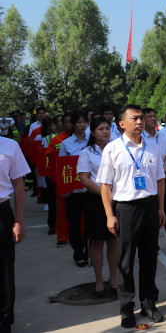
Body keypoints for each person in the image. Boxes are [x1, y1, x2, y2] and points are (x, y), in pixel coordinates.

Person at [97, 104, 166, 328]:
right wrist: (109, 215)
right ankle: (126, 307)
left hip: (150, 206)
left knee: (149, 259)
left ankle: (149, 303)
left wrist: (160, 208)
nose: (140, 122)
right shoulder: (113, 148)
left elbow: (159, 180)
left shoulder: (153, 146)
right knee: (125, 262)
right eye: (135, 118)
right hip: (126, 209)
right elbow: (105, 185)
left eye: (142, 118)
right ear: (122, 123)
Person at [77, 117, 118, 297]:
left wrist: (113, 196)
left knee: (113, 240)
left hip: (117, 199)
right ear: (92, 132)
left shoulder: (117, 149)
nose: (105, 131)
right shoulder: (86, 152)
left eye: (107, 128)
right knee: (97, 241)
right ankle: (99, 280)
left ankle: (114, 278)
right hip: (95, 200)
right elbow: (84, 178)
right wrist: (104, 194)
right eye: (101, 128)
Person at [0, 136, 29, 333]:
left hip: (2, 213)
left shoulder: (9, 146)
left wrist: (19, 220)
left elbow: (18, 183)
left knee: (4, 270)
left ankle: (4, 320)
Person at [143, 108, 166, 254]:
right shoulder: (141, 138)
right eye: (149, 116)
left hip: (162, 178)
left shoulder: (162, 135)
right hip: (147, 181)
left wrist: (162, 168)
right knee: (151, 216)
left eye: (154, 116)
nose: (153, 118)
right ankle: (152, 245)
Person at [59, 112, 90, 267]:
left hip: (90, 189)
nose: (82, 125)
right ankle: (78, 252)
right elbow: (63, 167)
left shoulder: (92, 141)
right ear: (73, 124)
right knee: (74, 223)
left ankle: (89, 252)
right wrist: (65, 188)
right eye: (79, 122)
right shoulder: (66, 143)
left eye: (85, 122)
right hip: (74, 191)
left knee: (91, 222)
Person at [46, 113, 73, 247]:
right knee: (62, 209)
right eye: (67, 122)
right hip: (62, 177)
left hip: (80, 178)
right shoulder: (56, 140)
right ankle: (62, 236)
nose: (70, 124)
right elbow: (49, 157)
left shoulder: (84, 139)